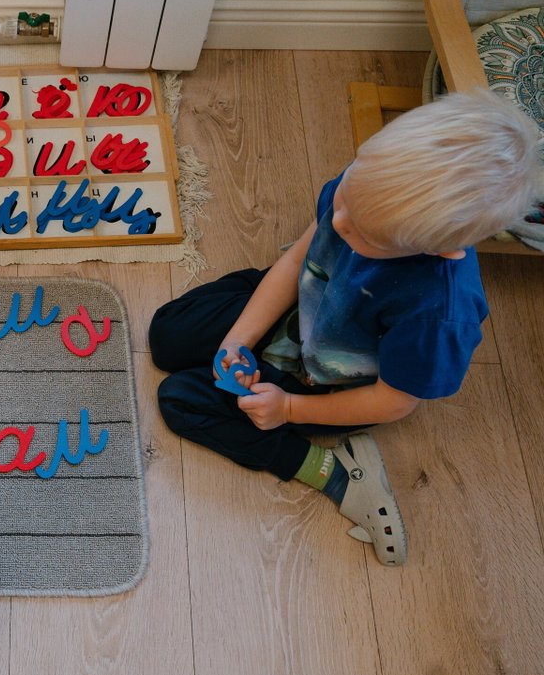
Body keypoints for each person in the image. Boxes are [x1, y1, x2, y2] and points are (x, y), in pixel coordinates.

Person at [149, 88, 542, 567]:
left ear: (438, 250)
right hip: (307, 303)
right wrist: (239, 338)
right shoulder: (365, 191)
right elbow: (296, 259)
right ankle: (254, 345)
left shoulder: (437, 316)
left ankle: (330, 472)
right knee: (167, 335)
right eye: (345, 199)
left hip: (329, 382)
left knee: (180, 399)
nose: (338, 221)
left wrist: (288, 408)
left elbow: (394, 401)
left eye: (360, 232)